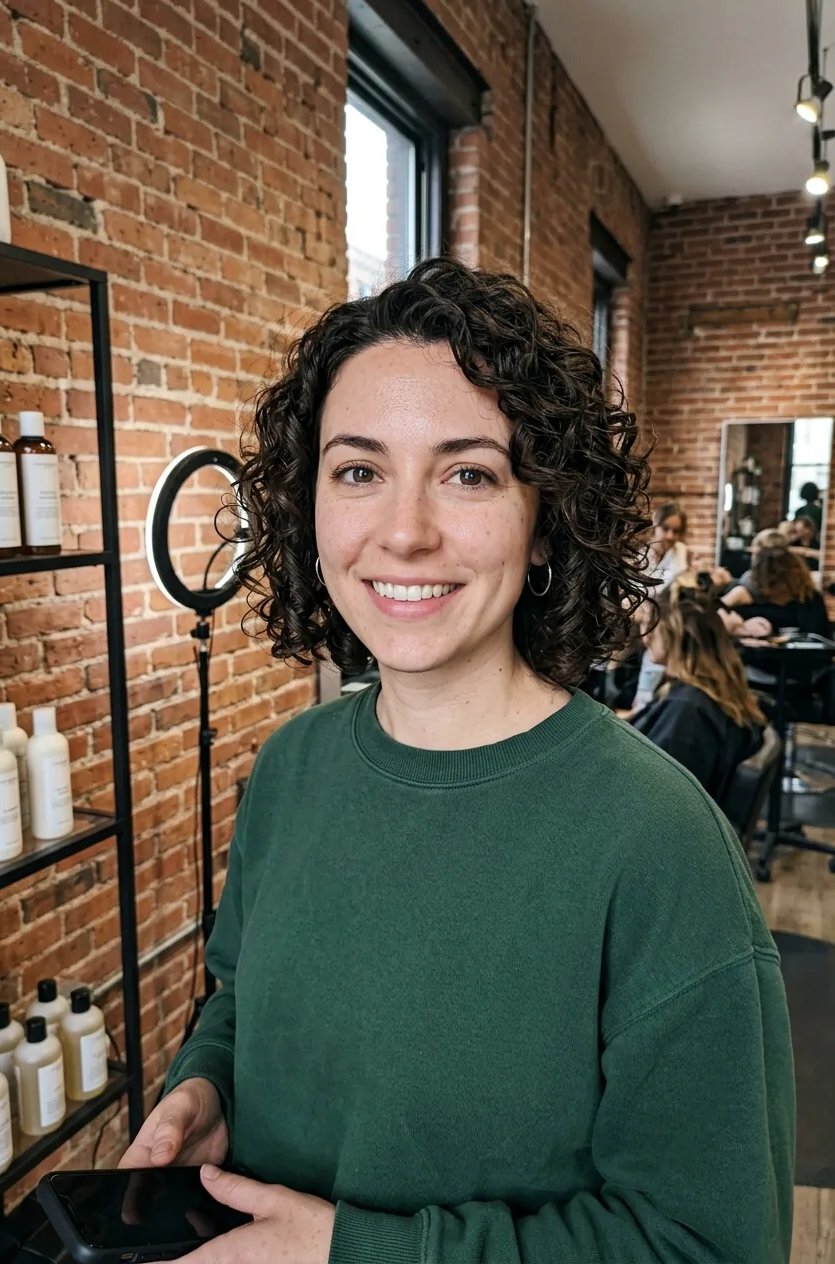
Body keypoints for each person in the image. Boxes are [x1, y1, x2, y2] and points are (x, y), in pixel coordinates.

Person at [121, 259, 794, 1264]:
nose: (403, 531)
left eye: (467, 472)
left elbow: (706, 1243)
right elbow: (237, 997)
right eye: (358, 470)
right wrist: (203, 1090)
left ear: (544, 520)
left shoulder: (655, 842)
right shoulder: (292, 768)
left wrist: (347, 1250)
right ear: (309, 507)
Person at [632, 576, 765, 808]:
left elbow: (657, 799)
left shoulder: (688, 710)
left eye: (649, 625)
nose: (645, 637)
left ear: (673, 632)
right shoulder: (708, 693)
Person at [631, 501, 689, 709]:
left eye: (676, 531)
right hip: (646, 612)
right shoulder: (641, 554)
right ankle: (642, 700)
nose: (671, 536)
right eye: (666, 529)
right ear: (656, 526)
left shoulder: (680, 553)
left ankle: (644, 702)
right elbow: (638, 589)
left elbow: (677, 582)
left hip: (667, 613)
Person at [723, 544, 829, 636]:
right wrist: (731, 600)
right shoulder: (745, 596)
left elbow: (819, 639)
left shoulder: (809, 598)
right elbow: (713, 623)